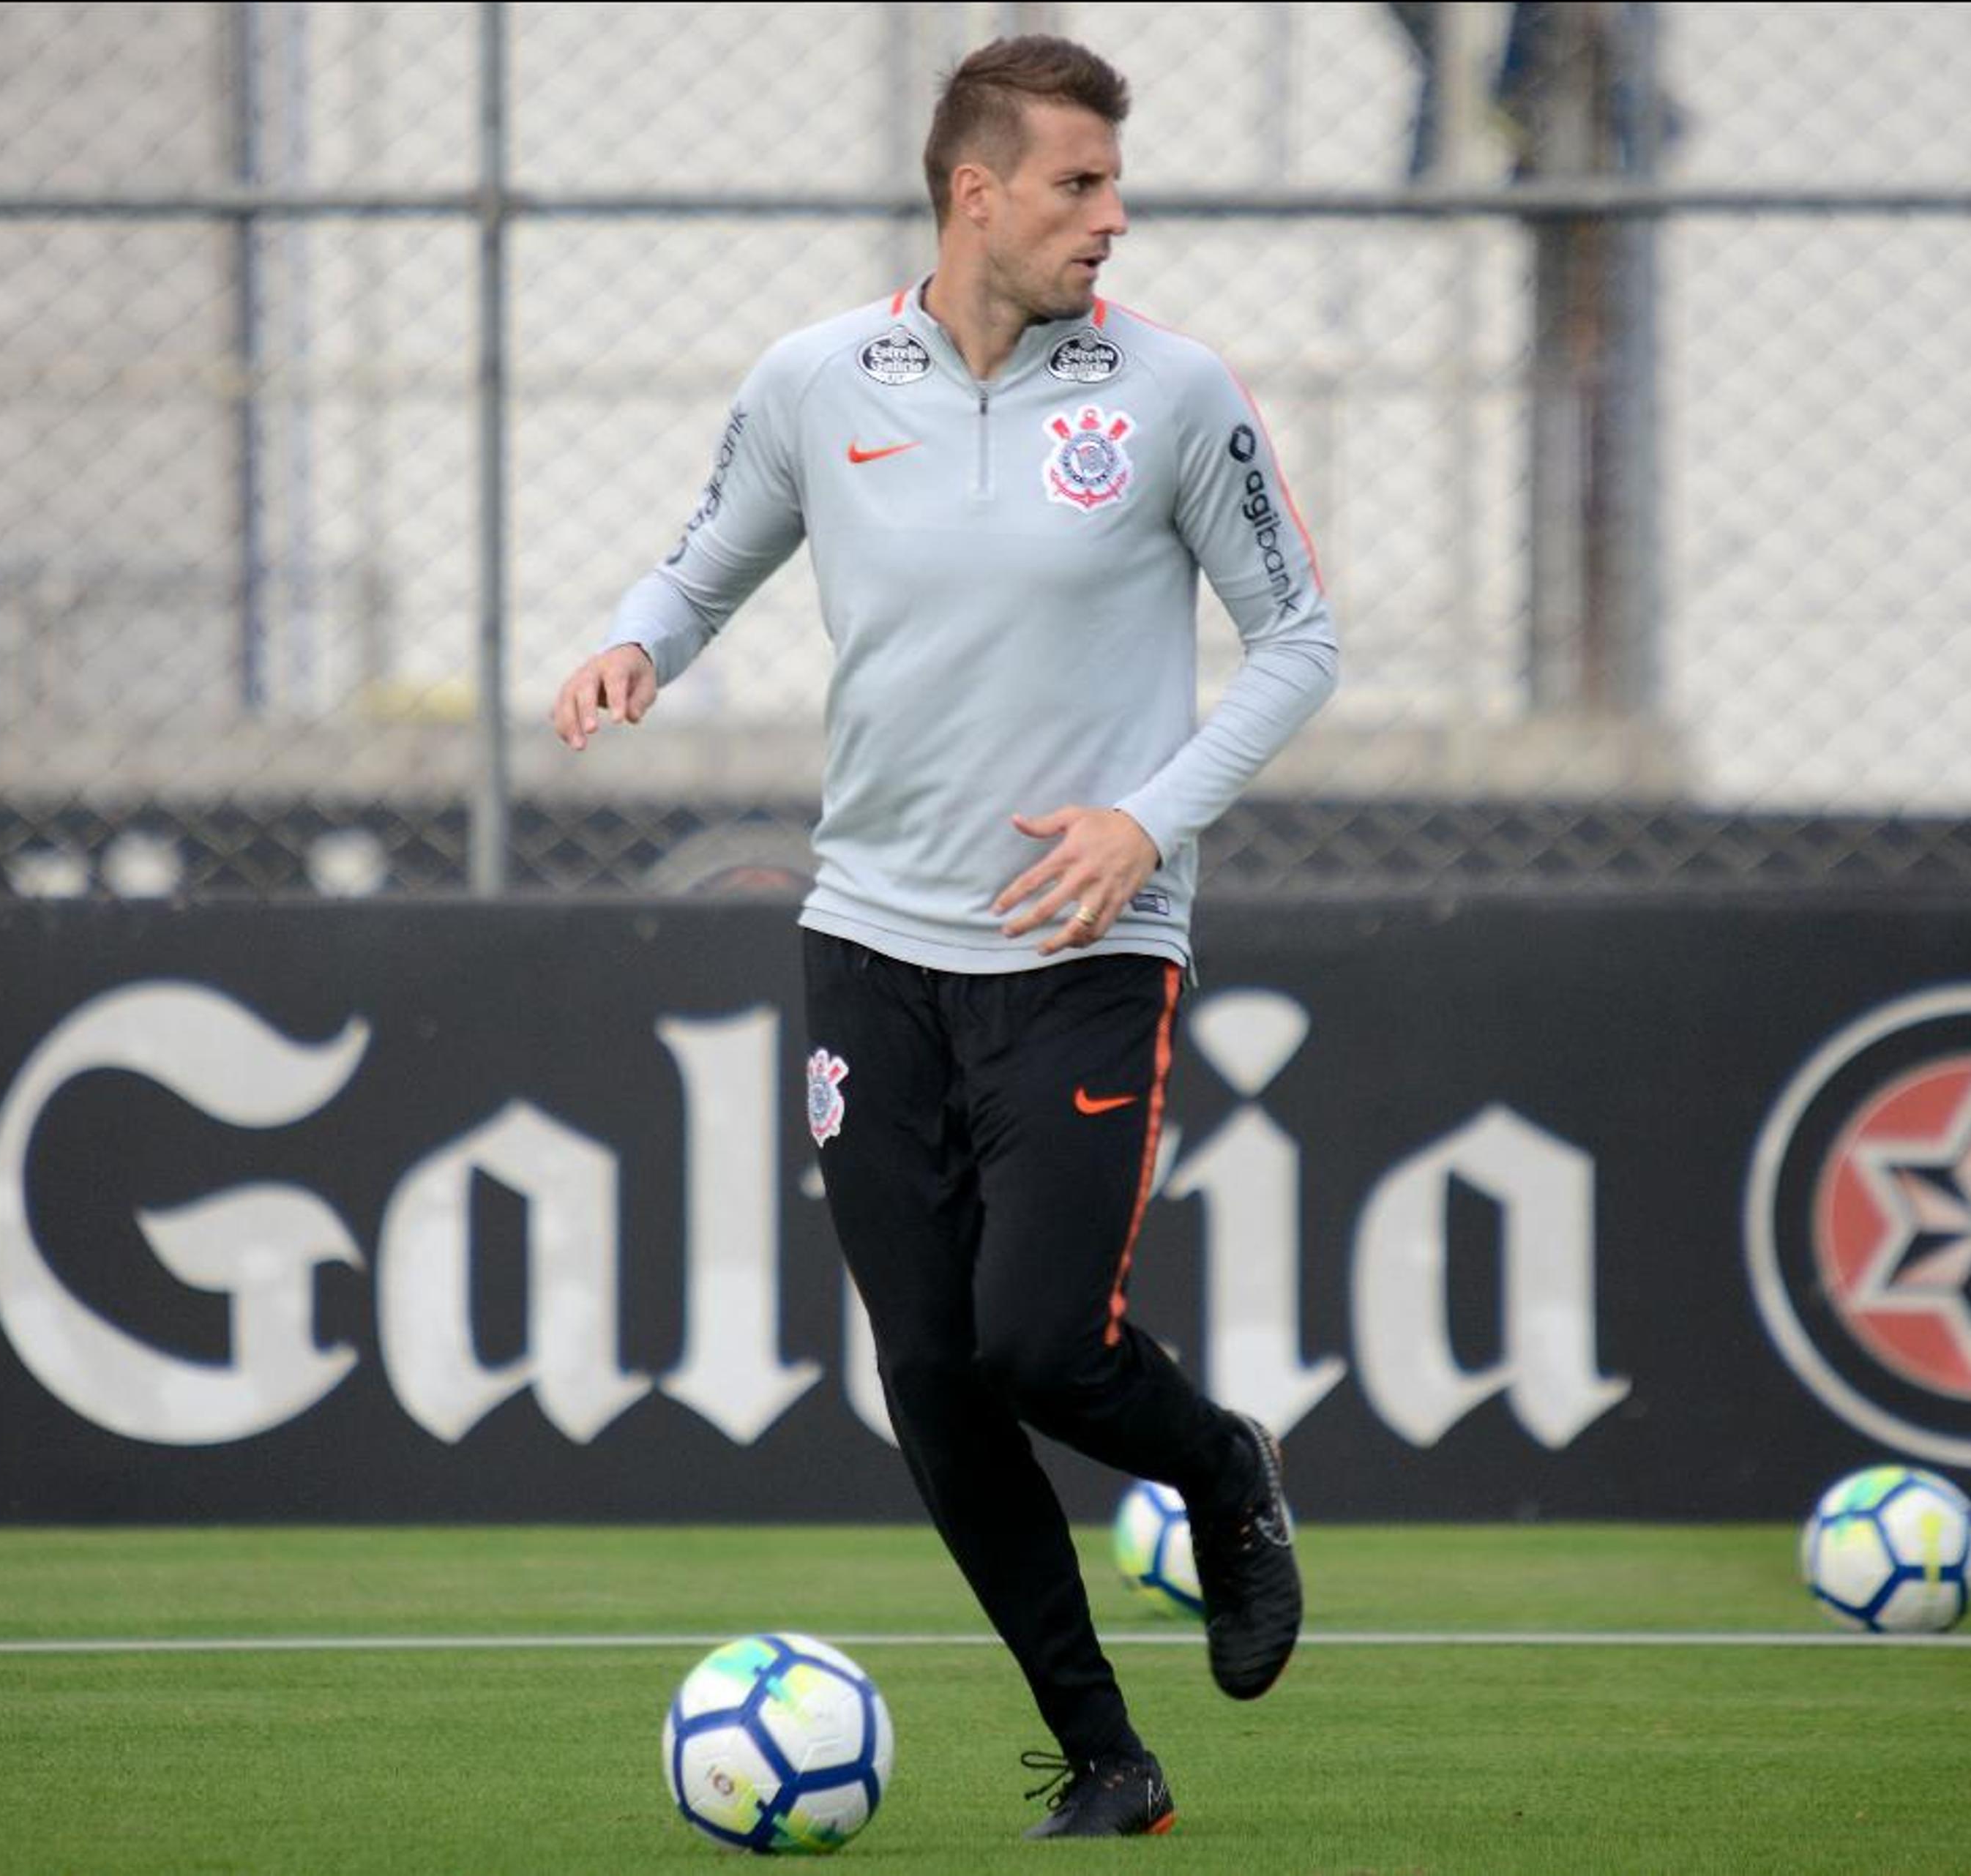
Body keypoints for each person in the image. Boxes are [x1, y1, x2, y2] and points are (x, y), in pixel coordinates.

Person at [550, 34, 1336, 1841]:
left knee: (1044, 1345)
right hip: (871, 946)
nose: (1112, 220)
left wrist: (1150, 816)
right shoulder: (820, 381)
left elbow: (1303, 643)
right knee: (929, 1378)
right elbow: (703, 565)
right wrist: (634, 646)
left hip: (1085, 937)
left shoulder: (1176, 394)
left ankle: (1223, 1468)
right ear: (974, 192)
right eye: (1078, 185)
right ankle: (1108, 1755)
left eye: (1116, 185)